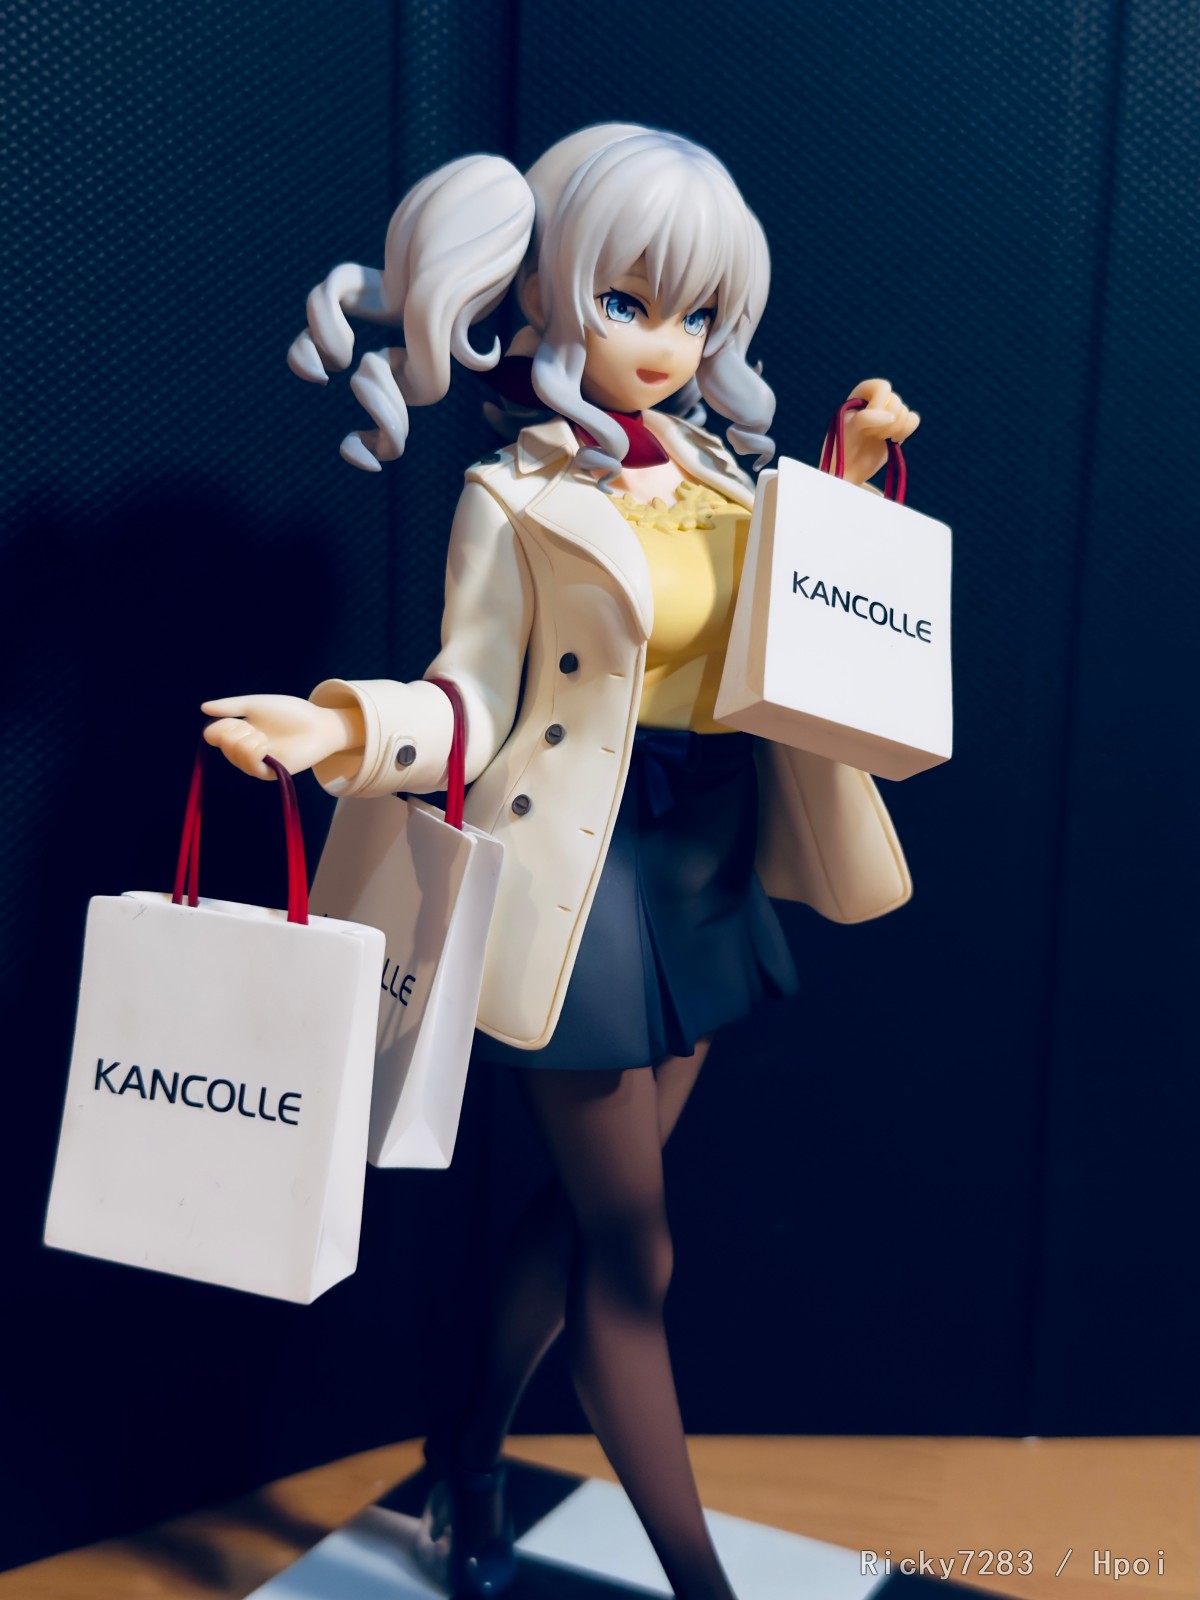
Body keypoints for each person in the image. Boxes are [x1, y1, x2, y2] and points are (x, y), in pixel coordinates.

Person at [202, 123, 919, 1600]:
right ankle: (698, 1580)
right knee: (635, 1254)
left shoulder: (723, 473)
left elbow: (794, 636)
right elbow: (469, 693)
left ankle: (465, 1453)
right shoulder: (512, 499)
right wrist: (343, 725)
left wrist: (850, 479)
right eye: (628, 302)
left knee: (595, 1218)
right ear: (549, 294)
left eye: (699, 313)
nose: (666, 344)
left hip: (707, 858)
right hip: (579, 879)